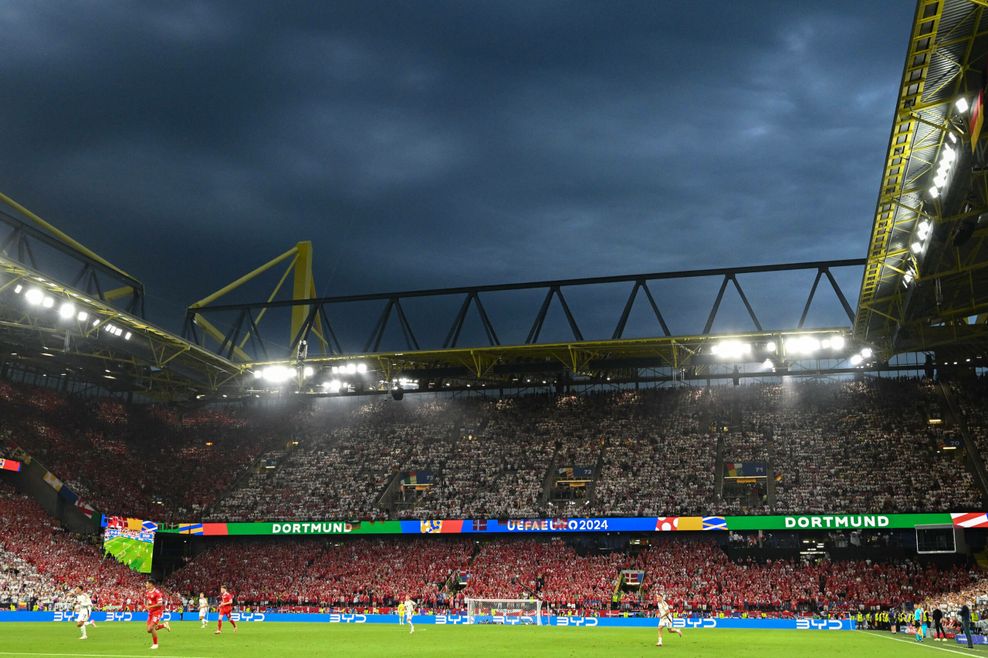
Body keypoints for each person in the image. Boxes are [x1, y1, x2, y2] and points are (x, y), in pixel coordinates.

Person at [145, 581, 170, 650]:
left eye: (147, 583)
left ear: (151, 584)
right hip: (151, 612)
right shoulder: (147, 592)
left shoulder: (157, 593)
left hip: (157, 612)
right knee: (148, 630)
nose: (146, 585)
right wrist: (147, 606)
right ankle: (164, 625)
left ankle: (155, 644)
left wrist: (150, 607)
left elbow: (160, 604)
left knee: (151, 628)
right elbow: (148, 601)